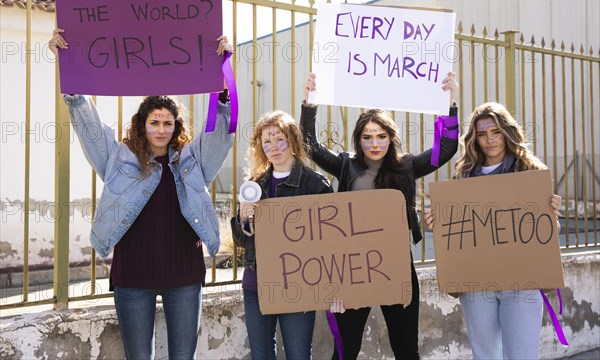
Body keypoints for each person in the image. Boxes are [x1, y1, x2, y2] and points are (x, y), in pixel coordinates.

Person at [49, 29, 235, 359]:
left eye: (168, 123)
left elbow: (220, 135)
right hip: (133, 276)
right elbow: (90, 129)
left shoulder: (192, 159)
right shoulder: (120, 158)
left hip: (184, 276)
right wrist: (71, 71)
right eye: (154, 122)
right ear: (142, 125)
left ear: (177, 127)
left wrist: (224, 77)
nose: (161, 129)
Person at [300, 71, 460, 360]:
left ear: (391, 138)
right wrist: (309, 103)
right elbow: (310, 144)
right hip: (352, 268)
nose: (374, 144)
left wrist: (449, 104)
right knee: (345, 350)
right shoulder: (345, 165)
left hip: (397, 266)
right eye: (367, 137)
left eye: (381, 136)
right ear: (359, 140)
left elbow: (446, 149)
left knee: (406, 348)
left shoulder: (407, 166)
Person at [424, 102, 562, 360]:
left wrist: (552, 212)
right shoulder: (464, 176)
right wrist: (439, 227)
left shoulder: (530, 171)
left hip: (522, 281)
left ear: (507, 132)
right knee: (485, 354)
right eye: (482, 134)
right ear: (474, 139)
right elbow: (460, 233)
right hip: (477, 283)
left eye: (495, 132)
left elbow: (545, 233)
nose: (489, 140)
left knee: (522, 355)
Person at [230, 110, 333, 360]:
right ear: (260, 146)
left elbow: (330, 240)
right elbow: (243, 240)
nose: (273, 147)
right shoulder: (256, 185)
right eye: (266, 141)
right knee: (261, 355)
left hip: (299, 281)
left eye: (279, 139)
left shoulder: (315, 185)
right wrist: (244, 219)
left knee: (298, 354)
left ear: (293, 140)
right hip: (257, 285)